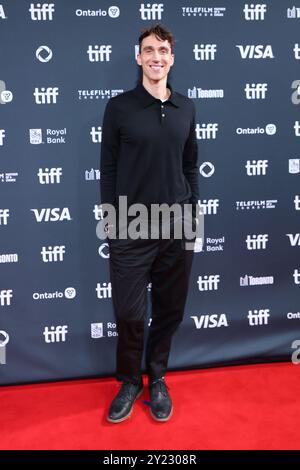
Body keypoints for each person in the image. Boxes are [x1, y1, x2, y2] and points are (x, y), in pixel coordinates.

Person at [100, 24, 200, 423]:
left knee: (171, 309)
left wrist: (193, 216)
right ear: (138, 57)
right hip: (132, 226)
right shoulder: (119, 107)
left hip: (177, 224)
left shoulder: (187, 107)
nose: (156, 57)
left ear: (171, 58)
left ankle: (157, 377)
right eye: (149, 50)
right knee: (128, 312)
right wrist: (112, 222)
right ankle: (129, 381)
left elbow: (190, 166)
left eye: (163, 50)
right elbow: (107, 170)